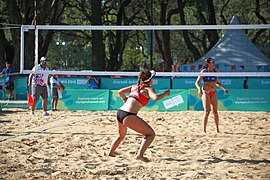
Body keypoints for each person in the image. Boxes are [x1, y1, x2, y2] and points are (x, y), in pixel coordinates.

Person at [108, 70, 170, 162]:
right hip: (128, 115)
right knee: (150, 134)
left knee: (120, 136)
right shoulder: (148, 89)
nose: (154, 80)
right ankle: (139, 155)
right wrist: (165, 93)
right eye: (153, 78)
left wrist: (125, 99)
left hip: (120, 112)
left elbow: (120, 91)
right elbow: (156, 98)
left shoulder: (134, 86)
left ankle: (111, 153)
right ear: (150, 80)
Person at [195, 58, 229, 133]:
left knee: (215, 112)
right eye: (212, 62)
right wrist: (198, 89)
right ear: (208, 63)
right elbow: (196, 82)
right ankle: (204, 130)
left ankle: (217, 129)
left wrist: (224, 89)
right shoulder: (204, 71)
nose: (214, 63)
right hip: (205, 91)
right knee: (207, 111)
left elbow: (217, 83)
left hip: (213, 92)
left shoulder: (215, 71)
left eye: (214, 62)